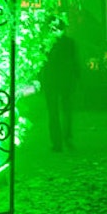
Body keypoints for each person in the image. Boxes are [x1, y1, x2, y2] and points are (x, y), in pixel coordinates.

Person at [41, 17, 80, 152]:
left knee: (53, 113)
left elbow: (43, 64)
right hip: (66, 81)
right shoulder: (69, 42)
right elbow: (75, 62)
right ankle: (68, 138)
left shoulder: (47, 44)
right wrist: (77, 78)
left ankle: (57, 143)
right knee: (66, 112)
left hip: (51, 81)